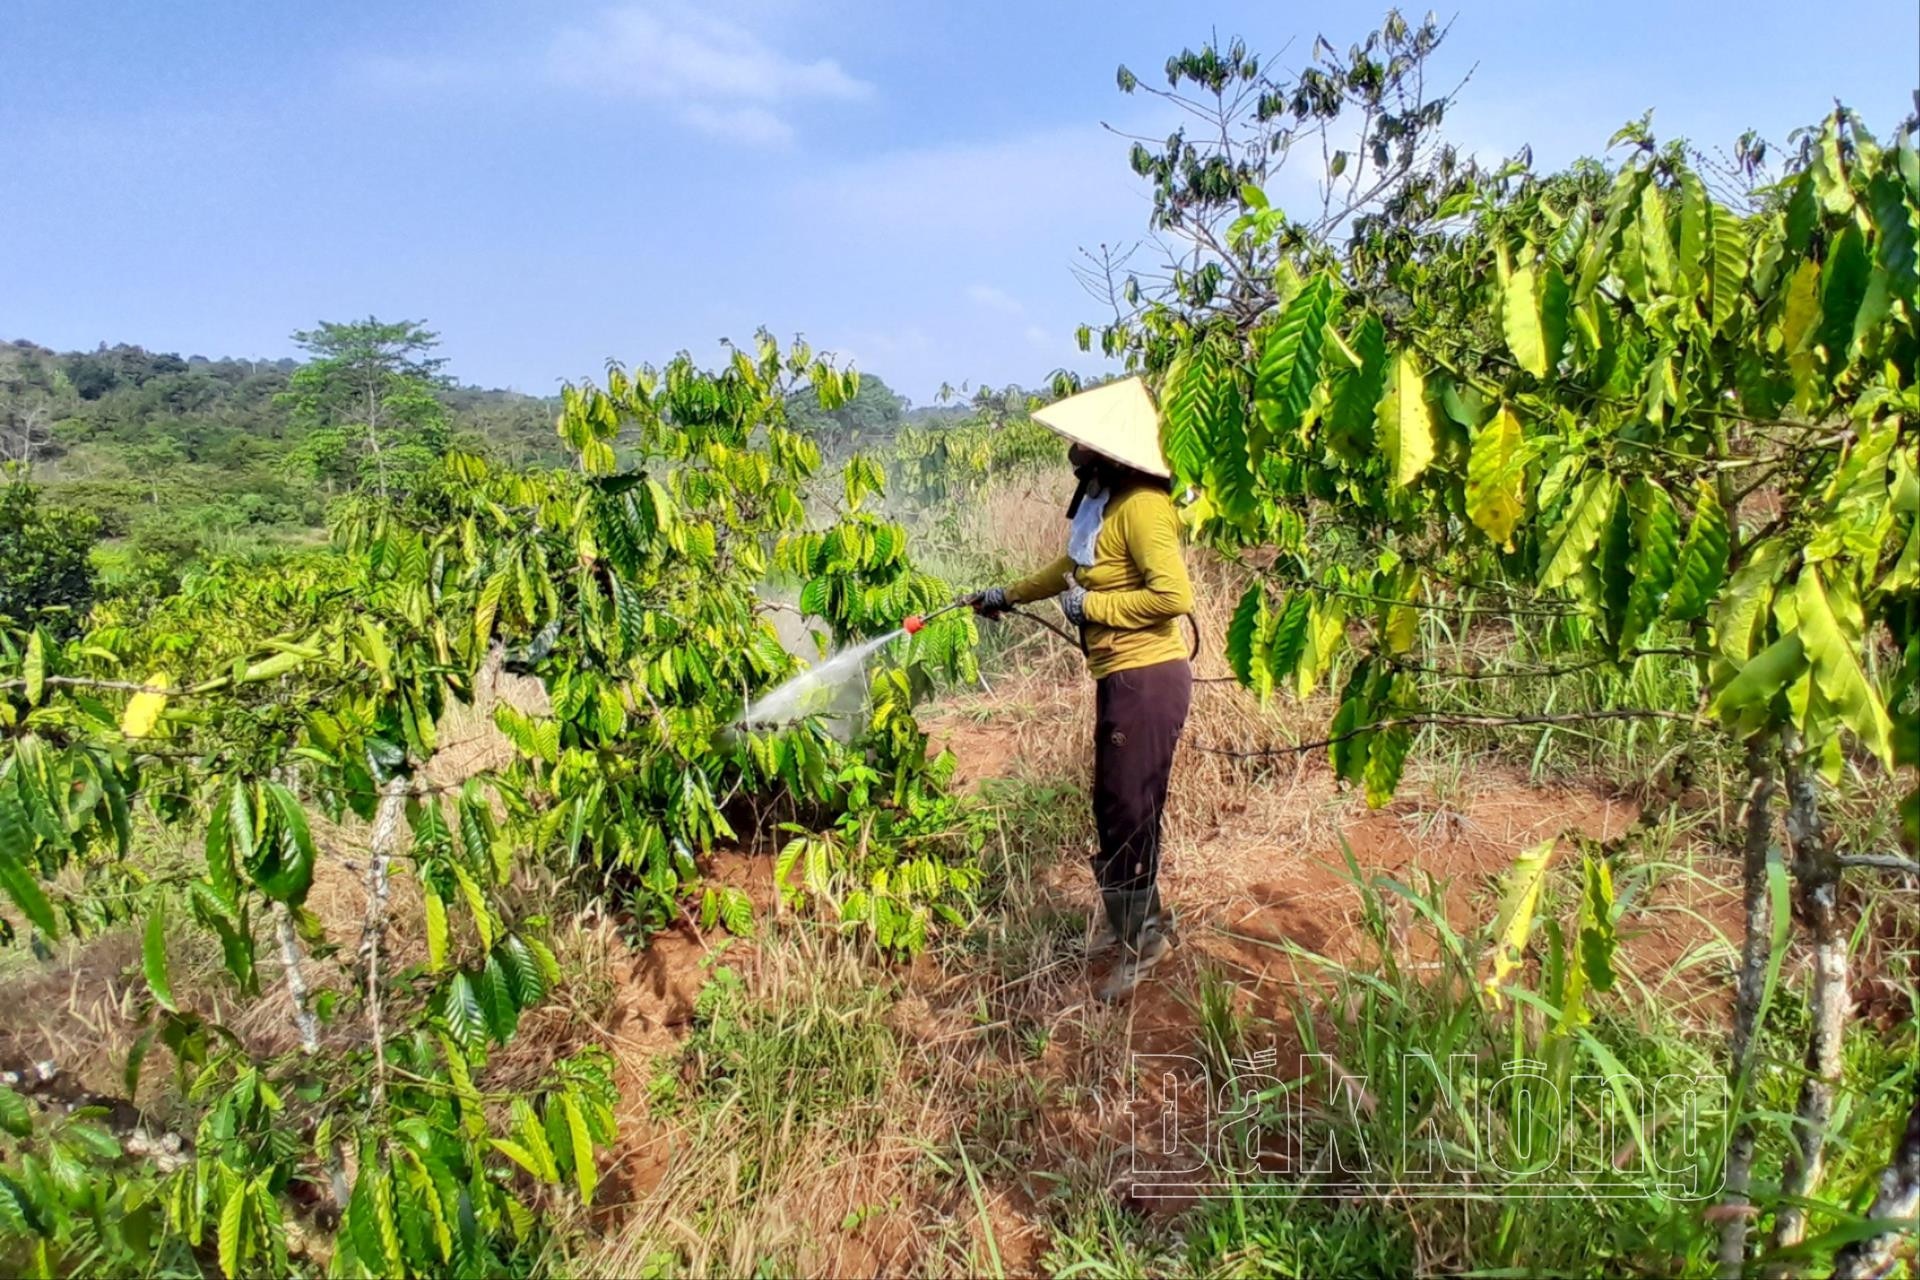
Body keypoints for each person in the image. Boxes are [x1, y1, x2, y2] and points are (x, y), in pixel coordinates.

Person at [968, 377, 1194, 1001]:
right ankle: (1124, 921)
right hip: (1118, 675)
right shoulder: (1104, 504)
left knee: (1130, 806)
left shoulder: (1144, 506)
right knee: (1112, 803)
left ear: (1108, 451)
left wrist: (1094, 607)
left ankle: (1145, 942)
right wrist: (1005, 595)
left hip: (1148, 676)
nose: (1071, 450)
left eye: (1080, 443)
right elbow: (1067, 571)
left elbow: (1174, 596)